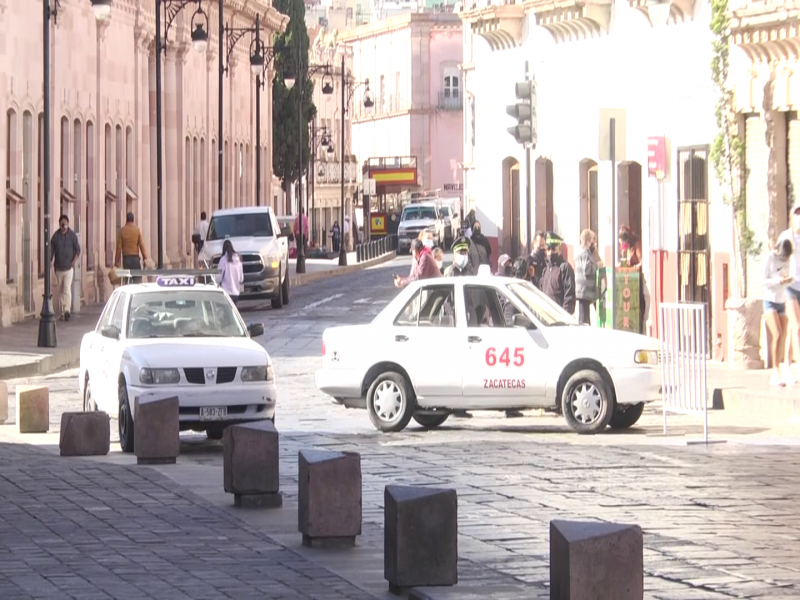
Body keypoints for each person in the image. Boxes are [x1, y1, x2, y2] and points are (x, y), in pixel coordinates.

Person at [763, 239, 794, 386]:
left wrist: (788, 281)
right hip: (770, 300)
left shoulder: (788, 259)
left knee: (783, 336)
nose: (785, 259)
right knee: (777, 334)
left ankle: (780, 368)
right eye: (783, 256)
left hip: (782, 299)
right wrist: (778, 281)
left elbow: (786, 276)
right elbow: (762, 281)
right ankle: (774, 372)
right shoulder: (769, 258)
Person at [779, 203, 800, 383]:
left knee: (796, 328)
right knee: (796, 326)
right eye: (797, 214)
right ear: (791, 217)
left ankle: (786, 364)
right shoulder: (785, 237)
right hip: (789, 287)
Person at [50, 214, 81, 321]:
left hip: (68, 268)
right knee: (60, 290)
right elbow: (51, 251)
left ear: (68, 223)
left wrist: (73, 261)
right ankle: (63, 311)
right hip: (58, 268)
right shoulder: (55, 236)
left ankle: (67, 309)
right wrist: (49, 261)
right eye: (62, 223)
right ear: (59, 224)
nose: (64, 225)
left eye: (65, 223)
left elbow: (78, 250)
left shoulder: (72, 236)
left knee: (67, 288)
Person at [540, 232, 576, 315]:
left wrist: (565, 315)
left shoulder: (564, 268)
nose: (550, 252)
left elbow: (569, 295)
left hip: (559, 317)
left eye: (553, 249)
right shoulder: (546, 270)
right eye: (548, 249)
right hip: (546, 315)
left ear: (559, 249)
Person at [575, 229, 603, 325]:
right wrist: (597, 265)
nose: (592, 243)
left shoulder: (579, 251)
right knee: (584, 319)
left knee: (583, 316)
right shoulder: (585, 252)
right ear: (587, 240)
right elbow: (587, 269)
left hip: (581, 289)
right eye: (591, 240)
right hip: (584, 290)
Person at [115, 212, 148, 284]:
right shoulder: (137, 230)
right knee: (137, 279)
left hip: (126, 259)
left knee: (126, 278)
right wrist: (145, 258)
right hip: (135, 259)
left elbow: (118, 247)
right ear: (133, 220)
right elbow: (141, 245)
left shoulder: (122, 231)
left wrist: (116, 262)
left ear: (126, 219)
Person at [218, 239, 244, 304]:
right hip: (236, 292)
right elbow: (241, 278)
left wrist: (217, 283)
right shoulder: (238, 259)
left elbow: (219, 275)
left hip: (226, 291)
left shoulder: (223, 259)